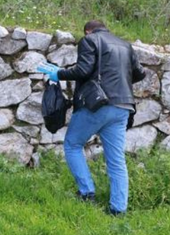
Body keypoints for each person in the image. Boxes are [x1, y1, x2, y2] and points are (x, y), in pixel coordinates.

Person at [37, 20, 146, 216]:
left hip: (98, 104)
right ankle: (118, 209)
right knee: (116, 159)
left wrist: (58, 74)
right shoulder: (125, 44)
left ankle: (87, 192)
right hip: (123, 107)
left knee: (72, 144)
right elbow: (140, 73)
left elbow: (83, 70)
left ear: (88, 31)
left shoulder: (89, 41)